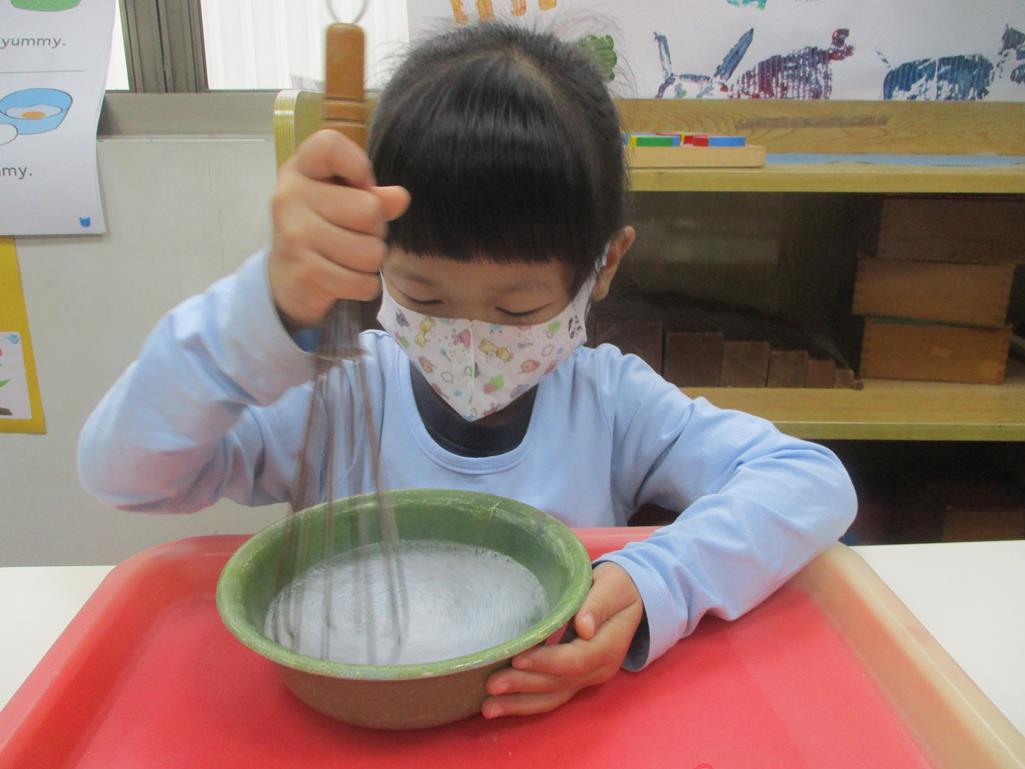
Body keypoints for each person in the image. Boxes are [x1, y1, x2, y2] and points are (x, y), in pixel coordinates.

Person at [78, 23, 857, 720]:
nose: (471, 339)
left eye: (517, 309)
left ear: (603, 266)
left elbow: (809, 481)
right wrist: (261, 312)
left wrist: (660, 580)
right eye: (423, 296)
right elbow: (126, 475)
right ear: (374, 257)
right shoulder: (333, 392)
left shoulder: (610, 404)